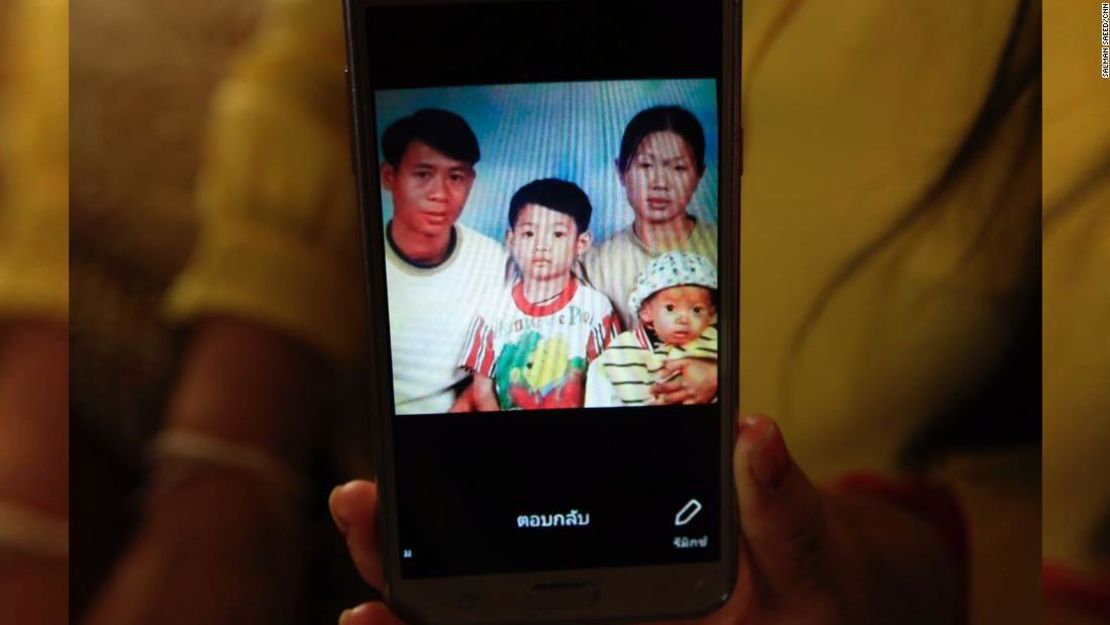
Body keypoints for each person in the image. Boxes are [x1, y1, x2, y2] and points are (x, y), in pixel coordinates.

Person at [378, 108, 510, 414]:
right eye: (423, 175)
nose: (440, 194)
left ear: (471, 181)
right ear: (389, 177)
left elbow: (495, 365)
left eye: (456, 177)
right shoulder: (361, 264)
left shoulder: (493, 261)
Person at [459, 178, 619, 411]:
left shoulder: (597, 308)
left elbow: (608, 385)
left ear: (581, 243)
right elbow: (482, 391)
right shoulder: (492, 309)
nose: (541, 246)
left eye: (557, 234)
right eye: (529, 234)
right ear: (511, 240)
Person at [584, 251, 718, 407]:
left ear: (711, 313)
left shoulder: (715, 345)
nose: (684, 319)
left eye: (696, 310)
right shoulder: (618, 355)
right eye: (670, 308)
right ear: (646, 312)